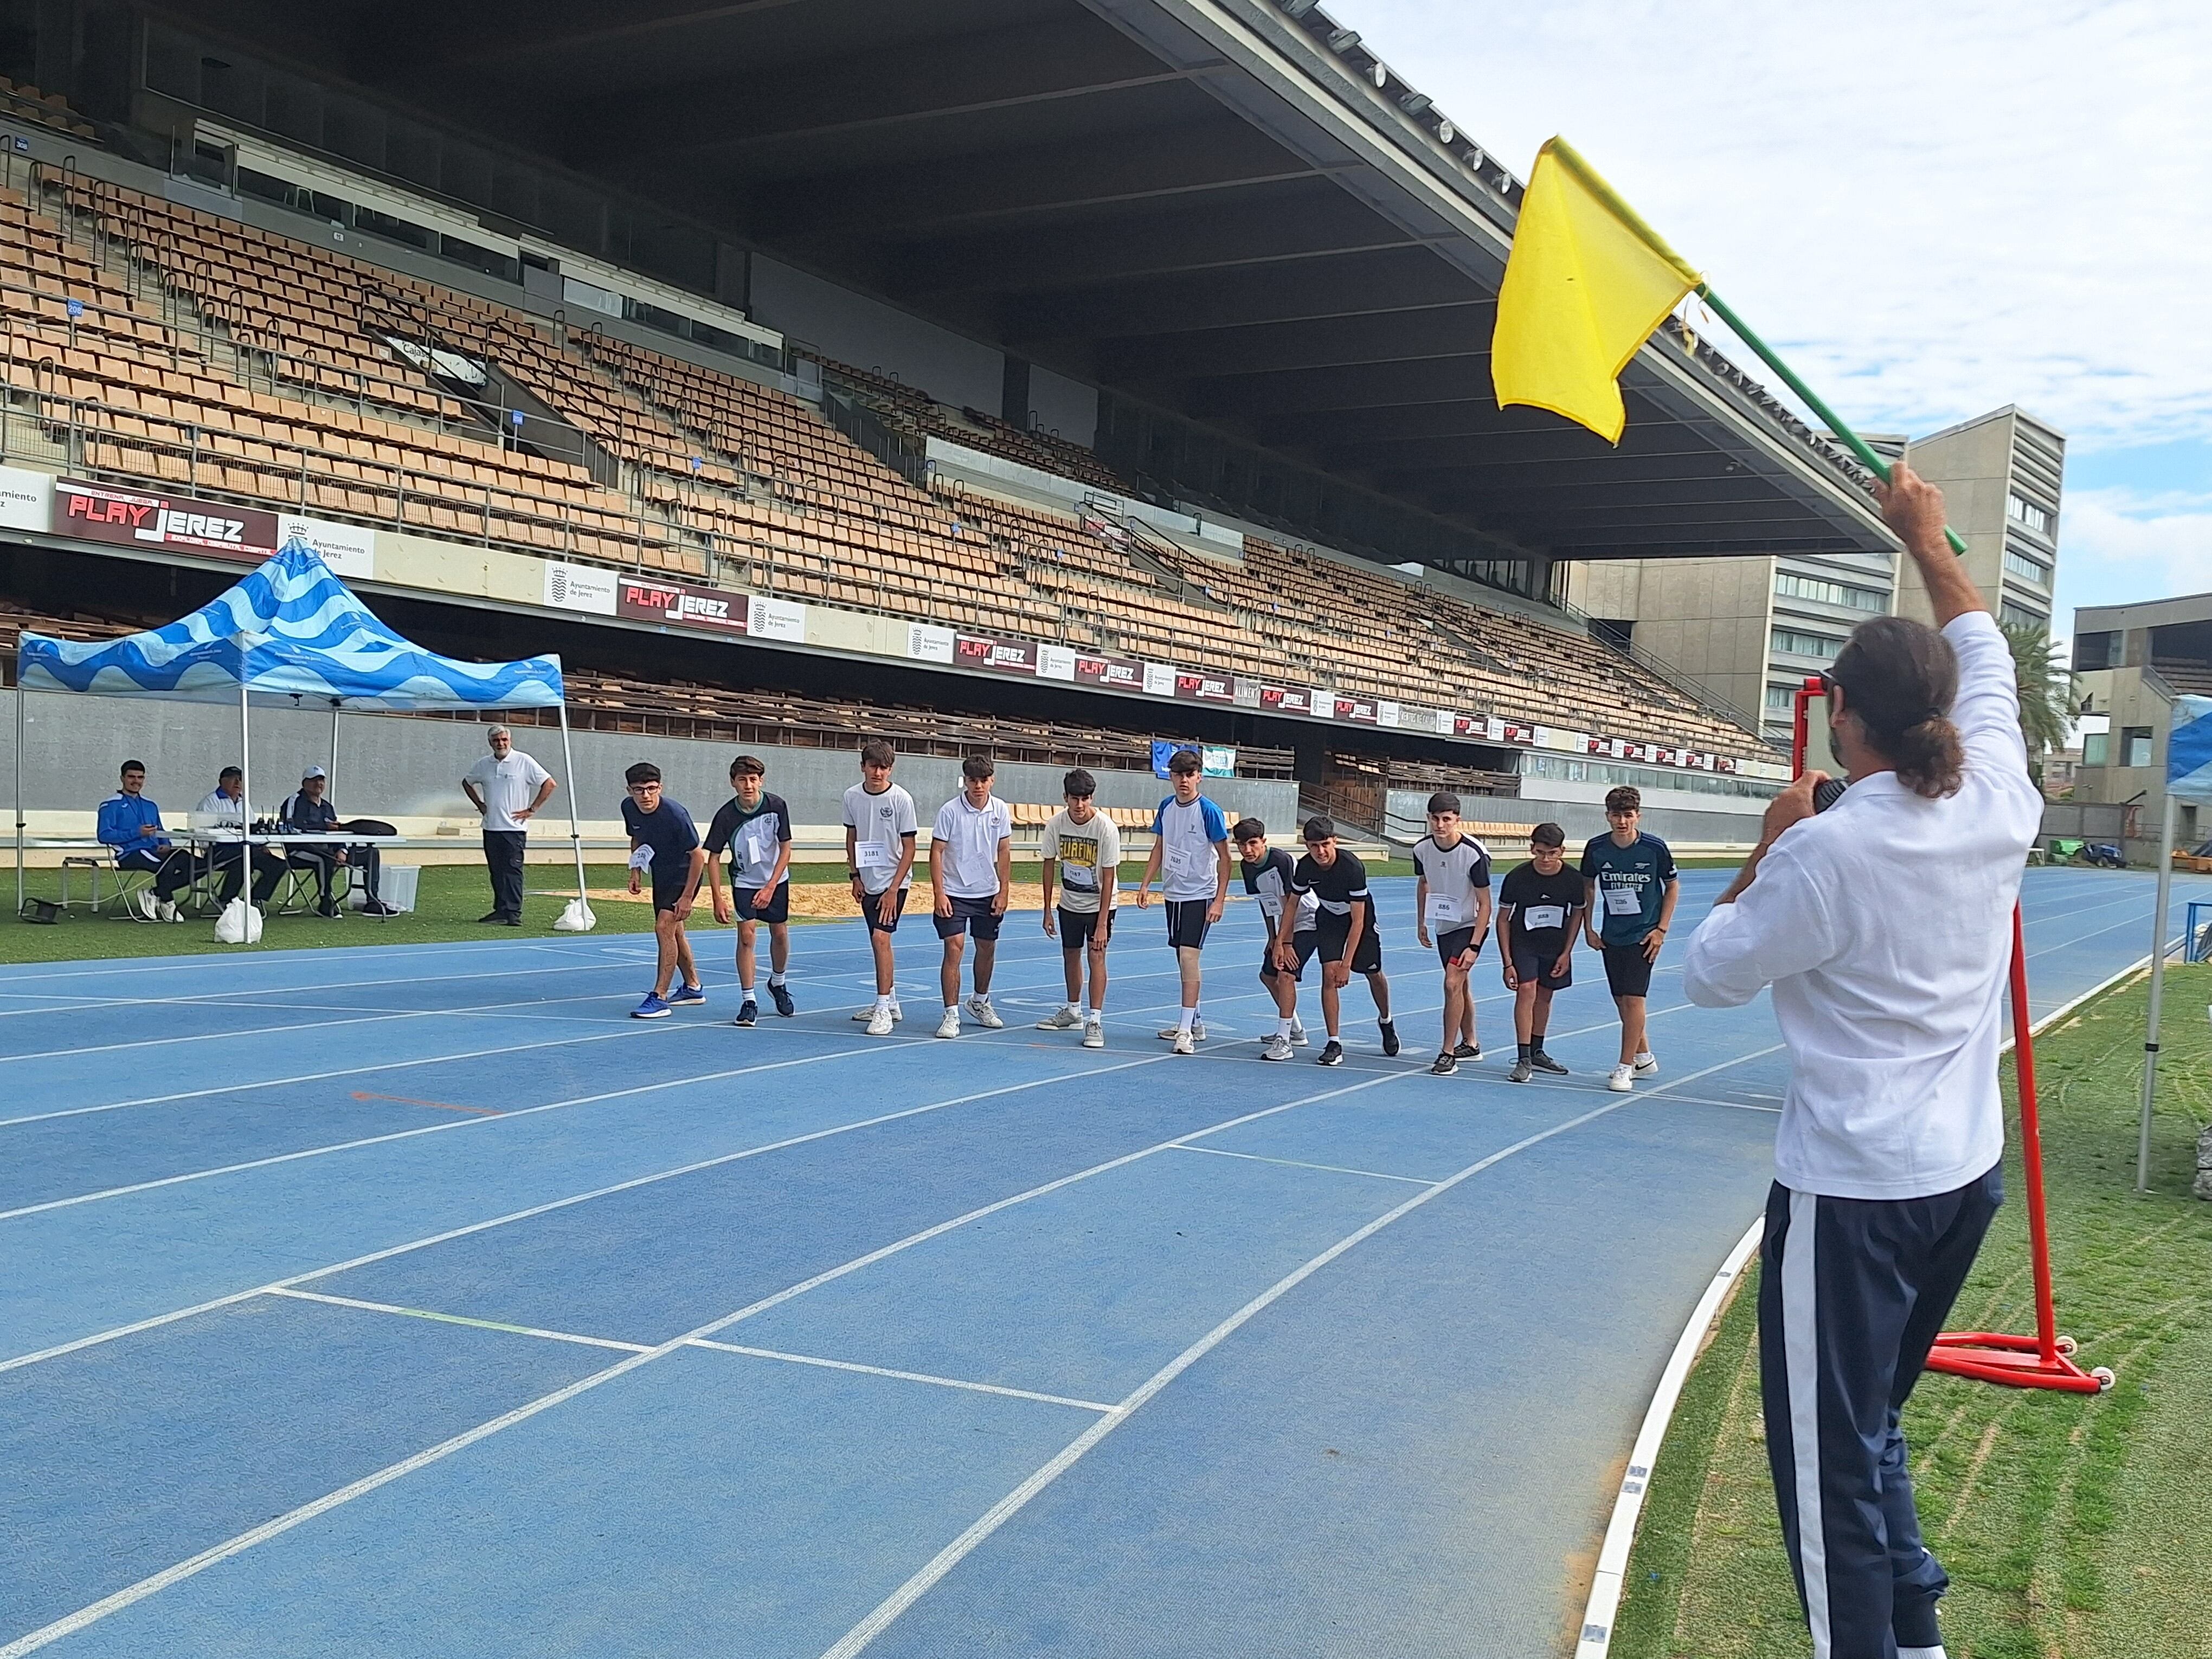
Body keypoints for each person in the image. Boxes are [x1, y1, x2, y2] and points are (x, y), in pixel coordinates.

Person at [1683, 459, 2042, 1659]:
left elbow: (1712, 971)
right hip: (1961, 1178)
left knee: (1829, 1461)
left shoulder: (1830, 853)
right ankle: (1919, 1636)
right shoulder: (1999, 791)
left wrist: (1770, 840)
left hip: (1854, 1195)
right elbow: (1981, 635)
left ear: (1845, 716)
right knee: (1873, 1422)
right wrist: (1925, 537)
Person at [1581, 785, 1678, 1092]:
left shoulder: (1654, 848)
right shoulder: (1596, 849)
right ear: (1607, 816)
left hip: (1644, 934)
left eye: (1628, 815)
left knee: (1635, 998)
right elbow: (1588, 888)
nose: (1622, 821)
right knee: (1622, 999)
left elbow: (1673, 887)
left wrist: (1661, 930)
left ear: (1638, 816)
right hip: (1613, 934)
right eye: (1616, 815)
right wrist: (1589, 928)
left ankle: (1625, 1067)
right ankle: (1644, 1056)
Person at [1134, 748, 1231, 1055]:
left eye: (1190, 775)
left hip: (1200, 894)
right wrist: (1147, 883)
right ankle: (1196, 1021)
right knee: (1181, 956)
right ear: (1171, 777)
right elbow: (1160, 846)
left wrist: (1219, 901)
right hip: (1173, 892)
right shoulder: (1166, 807)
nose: (1184, 781)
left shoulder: (1209, 811)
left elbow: (1226, 859)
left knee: (1190, 957)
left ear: (1199, 776)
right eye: (1179, 775)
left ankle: (1186, 1030)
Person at [1284, 815, 1397, 1067]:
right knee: (1329, 976)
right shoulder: (1305, 867)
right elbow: (1292, 904)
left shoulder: (1351, 867)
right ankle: (1333, 1042)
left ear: (1334, 841)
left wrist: (1347, 964)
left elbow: (1358, 922)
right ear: (1306, 846)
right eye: (1314, 846)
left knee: (1374, 973)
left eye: (1325, 844)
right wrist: (1284, 942)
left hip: (1359, 918)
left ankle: (1386, 1020)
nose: (1321, 851)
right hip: (1329, 919)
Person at [704, 755, 796, 1027]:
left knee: (779, 933)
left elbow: (786, 847)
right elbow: (712, 857)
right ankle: (749, 1000)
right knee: (746, 937)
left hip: (776, 881)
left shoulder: (776, 805)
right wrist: (718, 898)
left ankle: (778, 983)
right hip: (744, 881)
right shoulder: (726, 816)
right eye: (742, 780)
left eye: (753, 779)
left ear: (761, 781)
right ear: (733, 783)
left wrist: (770, 886)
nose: (748, 785)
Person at [930, 755, 1013, 1039]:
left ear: (993, 780)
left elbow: (1003, 851)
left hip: (986, 892)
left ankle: (980, 1001)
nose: (978, 786)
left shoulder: (1000, 809)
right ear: (965, 781)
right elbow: (937, 851)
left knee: (987, 948)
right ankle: (951, 1013)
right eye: (973, 780)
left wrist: (1004, 890)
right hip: (954, 892)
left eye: (983, 780)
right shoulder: (950, 811)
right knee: (954, 947)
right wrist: (939, 892)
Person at [1036, 768, 1120, 1049]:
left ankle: (1094, 1021)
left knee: (1097, 957)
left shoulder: (1105, 828)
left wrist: (1102, 923)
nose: (1080, 805)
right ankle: (1073, 1011)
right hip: (1069, 903)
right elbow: (1048, 865)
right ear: (1066, 798)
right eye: (1075, 799)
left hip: (1100, 905)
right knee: (1070, 955)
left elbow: (1109, 877)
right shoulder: (1056, 824)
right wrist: (1047, 909)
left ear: (1092, 798)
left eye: (1085, 799)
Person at [1412, 791, 1493, 1075]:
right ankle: (1471, 1044)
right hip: (1444, 926)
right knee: (1460, 986)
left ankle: (1447, 1053)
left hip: (1470, 925)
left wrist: (1474, 945)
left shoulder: (1473, 853)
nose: (1440, 825)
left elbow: (1486, 904)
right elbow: (1423, 883)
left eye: (1447, 819)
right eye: (1435, 818)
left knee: (1451, 983)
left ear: (1457, 819)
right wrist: (1421, 921)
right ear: (1428, 819)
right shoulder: (1421, 849)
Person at [1497, 823, 1583, 1083]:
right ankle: (1523, 1058)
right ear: (1532, 849)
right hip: (1523, 942)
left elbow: (1578, 913)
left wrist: (1567, 952)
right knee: (1527, 990)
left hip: (1555, 944)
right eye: (1541, 852)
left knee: (1545, 995)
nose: (1546, 859)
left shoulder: (1572, 879)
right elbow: (1502, 919)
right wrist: (1507, 962)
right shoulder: (1518, 877)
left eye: (1552, 853)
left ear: (1562, 852)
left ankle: (1537, 1051)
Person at [844, 740, 919, 1036]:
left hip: (894, 880)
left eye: (885, 768)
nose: (879, 773)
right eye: (874, 766)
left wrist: (893, 889)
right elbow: (852, 836)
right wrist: (855, 875)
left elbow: (910, 847)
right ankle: (893, 1002)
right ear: (863, 766)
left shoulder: (901, 799)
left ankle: (883, 1006)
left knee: (881, 939)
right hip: (867, 878)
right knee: (877, 942)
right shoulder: (852, 797)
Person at [621, 761, 707, 1019]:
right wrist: (636, 870)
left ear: (660, 787)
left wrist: (687, 897)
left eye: (651, 789)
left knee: (663, 927)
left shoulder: (675, 815)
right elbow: (637, 838)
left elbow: (698, 857)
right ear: (629, 790)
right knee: (675, 932)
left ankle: (659, 996)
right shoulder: (629, 808)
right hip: (661, 873)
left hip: (685, 872)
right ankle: (693, 987)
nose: (645, 795)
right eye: (639, 790)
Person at [461, 725, 555, 926]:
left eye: (504, 740)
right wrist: (480, 805)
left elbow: (549, 783)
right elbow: (467, 782)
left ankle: (513, 913)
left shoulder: (524, 761)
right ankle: (500, 910)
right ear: (490, 743)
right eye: (496, 741)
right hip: (491, 827)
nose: (501, 744)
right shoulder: (484, 764)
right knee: (496, 871)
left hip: (514, 829)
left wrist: (532, 809)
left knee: (512, 871)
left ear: (510, 740)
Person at [276, 766, 396, 918]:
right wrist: (323, 827)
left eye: (321, 780)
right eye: (314, 780)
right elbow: (291, 827)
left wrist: (342, 850)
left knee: (371, 853)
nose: (319, 784)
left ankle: (372, 901)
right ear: (304, 783)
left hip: (330, 850)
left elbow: (336, 830)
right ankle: (326, 901)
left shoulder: (327, 807)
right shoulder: (293, 802)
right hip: (299, 851)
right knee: (324, 858)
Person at [1236, 818, 1310, 1062]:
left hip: (1308, 919)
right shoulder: (1247, 867)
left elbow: (1291, 902)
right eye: (1241, 845)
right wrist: (1272, 937)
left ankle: (1284, 1040)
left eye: (1253, 844)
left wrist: (1283, 942)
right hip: (1284, 925)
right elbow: (1266, 903)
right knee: (1267, 975)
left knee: (1285, 974)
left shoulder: (1281, 860)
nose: (1247, 850)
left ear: (1264, 842)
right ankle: (1295, 1029)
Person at [97, 760, 194, 921]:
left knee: (197, 865)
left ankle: (155, 893)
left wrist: (166, 844)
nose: (136, 781)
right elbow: (104, 836)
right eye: (131, 777)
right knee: (167, 866)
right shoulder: (110, 805)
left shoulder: (151, 805)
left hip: (155, 851)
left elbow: (161, 830)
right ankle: (168, 902)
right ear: (122, 779)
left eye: (140, 777)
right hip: (130, 853)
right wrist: (136, 833)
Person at [195, 766, 285, 908]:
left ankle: (254, 899)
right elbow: (203, 835)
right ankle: (226, 899)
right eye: (233, 778)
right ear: (222, 782)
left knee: (278, 864)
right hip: (218, 851)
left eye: (240, 779)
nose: (237, 782)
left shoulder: (245, 803)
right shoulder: (210, 802)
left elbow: (253, 829)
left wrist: (262, 845)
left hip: (247, 850)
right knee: (243, 860)